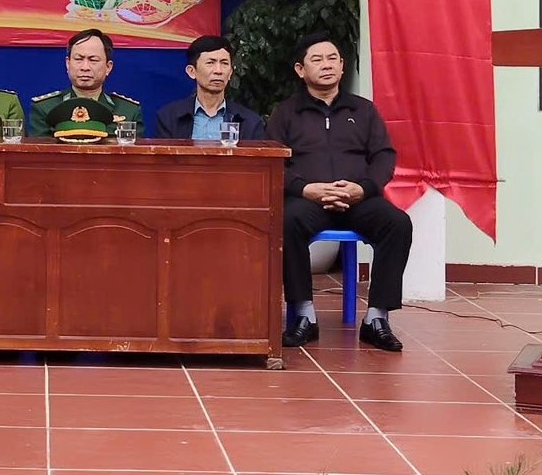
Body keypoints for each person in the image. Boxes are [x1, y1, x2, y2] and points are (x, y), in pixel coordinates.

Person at [271, 33, 411, 353]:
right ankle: (303, 314)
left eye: (332, 58)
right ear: (300, 70)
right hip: (307, 199)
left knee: (397, 223)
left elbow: (384, 156)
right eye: (317, 60)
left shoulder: (363, 110)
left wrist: (363, 189)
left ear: (342, 65)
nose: (327, 65)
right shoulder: (286, 113)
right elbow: (274, 160)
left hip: (358, 199)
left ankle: (376, 318)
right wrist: (305, 189)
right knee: (285, 221)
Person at [26, 28, 142, 137]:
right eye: (78, 59)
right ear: (67, 63)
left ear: (108, 67)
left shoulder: (128, 110)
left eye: (93, 60)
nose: (85, 67)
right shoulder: (45, 108)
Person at [153, 34, 267, 140]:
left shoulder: (250, 122)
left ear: (230, 73)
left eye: (224, 63)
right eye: (210, 63)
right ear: (192, 71)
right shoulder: (169, 118)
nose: (218, 71)